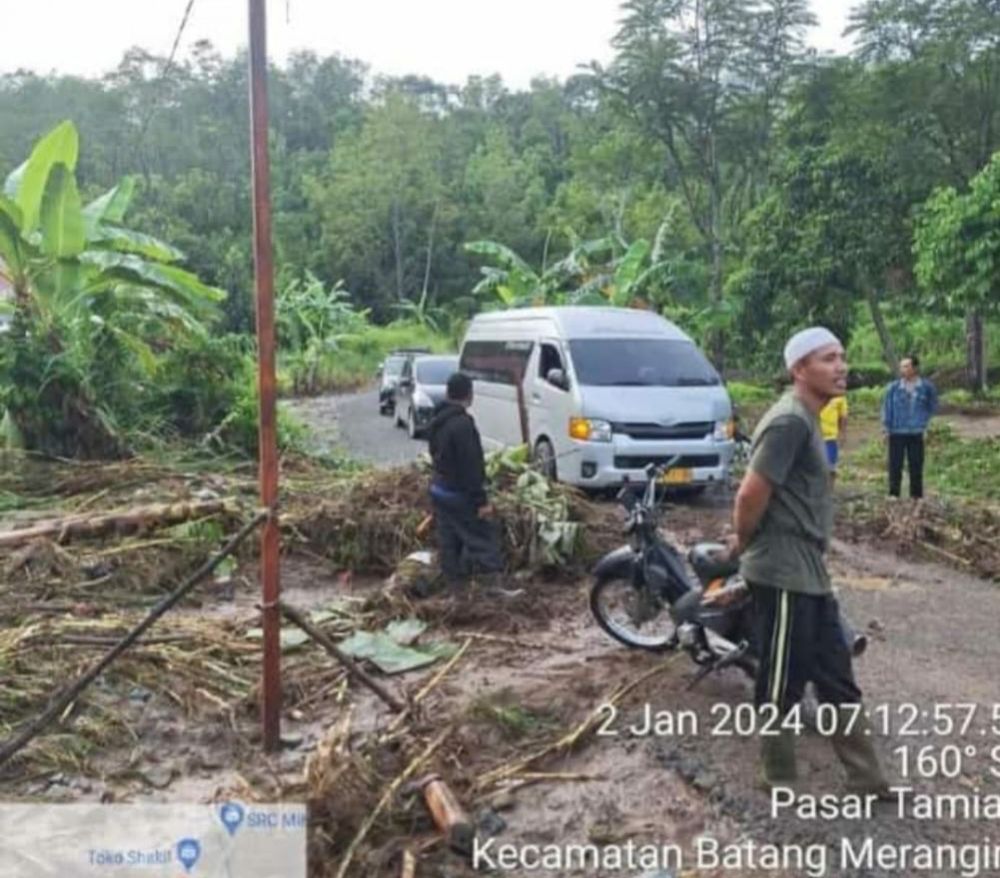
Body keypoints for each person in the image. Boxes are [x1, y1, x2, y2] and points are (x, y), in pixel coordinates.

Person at [728, 327, 888, 794]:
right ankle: (776, 774)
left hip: (808, 569)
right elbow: (749, 496)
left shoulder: (810, 417)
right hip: (780, 569)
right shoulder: (789, 422)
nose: (841, 366)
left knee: (836, 671)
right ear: (799, 369)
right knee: (783, 676)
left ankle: (868, 779)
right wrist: (743, 543)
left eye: (842, 356)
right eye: (827, 358)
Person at [426, 372, 504, 589]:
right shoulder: (463, 425)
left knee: (449, 540)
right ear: (469, 395)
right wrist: (481, 502)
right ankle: (493, 588)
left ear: (448, 393)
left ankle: (454, 589)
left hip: (439, 490)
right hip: (458, 494)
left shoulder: (437, 421)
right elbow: (472, 467)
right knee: (482, 537)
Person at [881, 355, 938, 500]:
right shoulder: (893, 388)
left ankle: (916, 496)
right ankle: (894, 494)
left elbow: (932, 407)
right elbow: (886, 408)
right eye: (902, 366)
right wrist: (885, 429)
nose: (903, 369)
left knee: (916, 464)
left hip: (917, 431)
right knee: (895, 464)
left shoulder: (926, 388)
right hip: (896, 431)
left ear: (915, 368)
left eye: (906, 366)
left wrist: (927, 425)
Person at [818, 395, 848, 481]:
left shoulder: (839, 396)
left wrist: (842, 433)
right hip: (815, 437)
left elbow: (843, 416)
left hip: (830, 437)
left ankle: (829, 492)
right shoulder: (815, 392)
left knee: (831, 468)